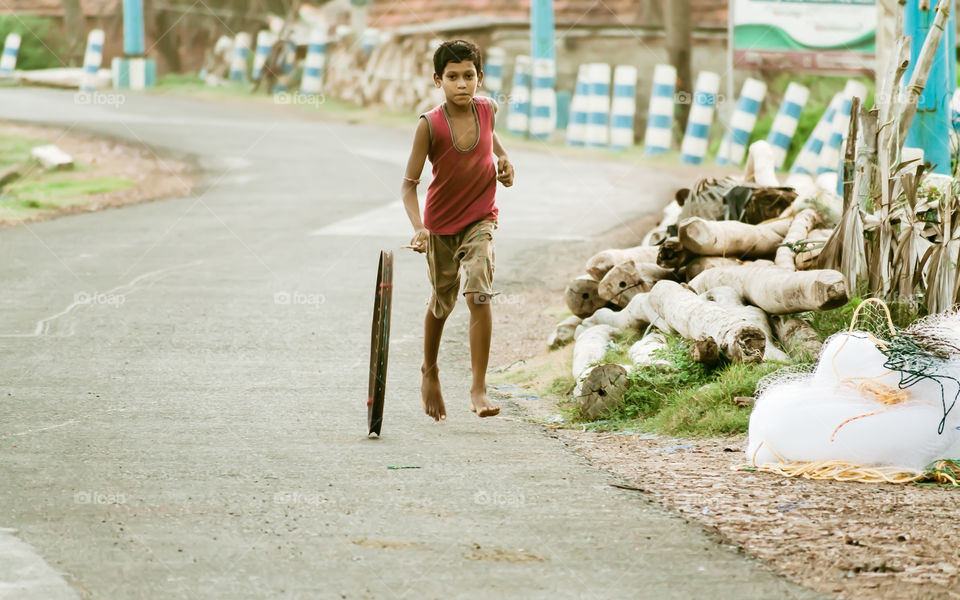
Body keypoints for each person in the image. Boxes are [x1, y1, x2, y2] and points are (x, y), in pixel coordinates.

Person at [400, 39, 515, 422]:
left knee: (479, 293)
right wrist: (419, 229)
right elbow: (408, 185)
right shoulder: (429, 125)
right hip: (440, 227)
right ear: (438, 80)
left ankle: (478, 387)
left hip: (480, 218)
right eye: (453, 77)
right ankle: (429, 370)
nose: (462, 84)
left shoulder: (488, 109)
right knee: (442, 302)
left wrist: (503, 159)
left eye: (469, 75)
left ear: (480, 78)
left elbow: (492, 139)